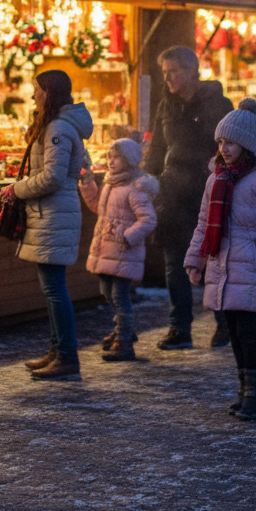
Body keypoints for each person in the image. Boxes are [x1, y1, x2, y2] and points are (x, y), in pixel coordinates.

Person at [184, 99, 256, 420]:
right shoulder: (216, 179)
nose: (223, 148)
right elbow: (204, 222)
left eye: (230, 142)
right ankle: (245, 387)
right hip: (224, 267)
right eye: (220, 141)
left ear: (247, 143)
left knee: (248, 329)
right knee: (233, 329)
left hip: (254, 266)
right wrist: (195, 259)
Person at [0, 70, 93, 381]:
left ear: (49, 93)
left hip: (54, 213)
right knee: (51, 286)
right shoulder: (60, 125)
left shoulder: (58, 128)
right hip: (52, 213)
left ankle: (66, 355)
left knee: (54, 288)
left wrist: (17, 189)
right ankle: (58, 350)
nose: (33, 95)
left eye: (37, 90)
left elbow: (52, 176)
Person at [145, 45, 233, 350]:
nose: (167, 78)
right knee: (175, 262)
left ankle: (224, 325)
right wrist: (147, 180)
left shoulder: (218, 104)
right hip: (172, 192)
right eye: (164, 72)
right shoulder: (165, 105)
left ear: (191, 71)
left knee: (213, 262)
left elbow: (232, 146)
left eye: (173, 71)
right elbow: (157, 147)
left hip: (207, 192)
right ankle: (179, 328)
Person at [79, 138, 158, 361]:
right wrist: (87, 182)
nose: (111, 162)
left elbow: (148, 220)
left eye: (117, 157)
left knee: (119, 296)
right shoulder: (111, 183)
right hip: (106, 249)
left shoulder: (135, 188)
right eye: (109, 157)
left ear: (130, 160)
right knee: (107, 292)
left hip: (124, 251)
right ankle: (124, 329)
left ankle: (124, 343)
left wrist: (127, 236)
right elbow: (98, 207)